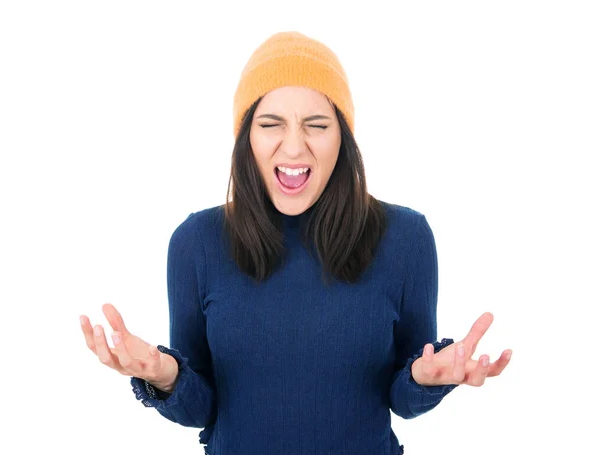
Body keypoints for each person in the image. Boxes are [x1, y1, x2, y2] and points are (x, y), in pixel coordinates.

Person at [79, 31, 512, 455]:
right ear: (246, 137)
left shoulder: (405, 238)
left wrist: (424, 380)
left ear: (343, 137)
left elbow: (401, 398)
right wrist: (164, 376)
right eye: (271, 124)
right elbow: (203, 408)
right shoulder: (197, 244)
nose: (293, 147)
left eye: (316, 125)